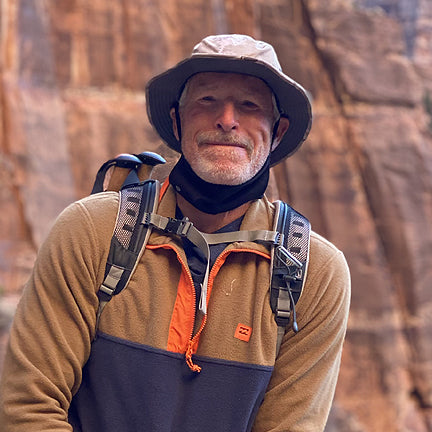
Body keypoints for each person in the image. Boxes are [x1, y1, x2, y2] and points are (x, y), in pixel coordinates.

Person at [0, 34, 350, 431]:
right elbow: (29, 409)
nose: (227, 119)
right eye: (207, 101)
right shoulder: (94, 232)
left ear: (279, 131)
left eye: (249, 106)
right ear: (175, 120)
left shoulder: (314, 272)